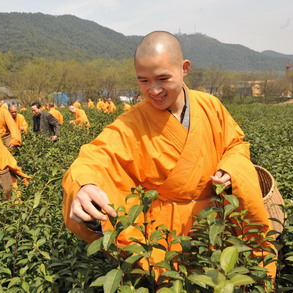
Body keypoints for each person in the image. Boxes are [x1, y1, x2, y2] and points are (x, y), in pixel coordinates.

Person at [62, 31, 275, 278]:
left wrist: (231, 169)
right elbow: (95, 157)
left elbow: (236, 145)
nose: (154, 90)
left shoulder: (210, 106)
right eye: (143, 81)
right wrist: (84, 185)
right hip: (164, 237)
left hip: (218, 225)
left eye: (163, 78)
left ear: (184, 68)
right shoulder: (130, 123)